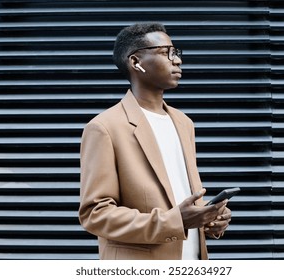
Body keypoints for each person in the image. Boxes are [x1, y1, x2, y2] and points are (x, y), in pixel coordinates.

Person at [79, 22, 232, 260]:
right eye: (165, 53)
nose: (177, 60)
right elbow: (95, 214)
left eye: (177, 53)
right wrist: (174, 220)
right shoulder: (104, 127)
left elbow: (181, 198)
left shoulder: (184, 123)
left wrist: (208, 218)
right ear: (136, 62)